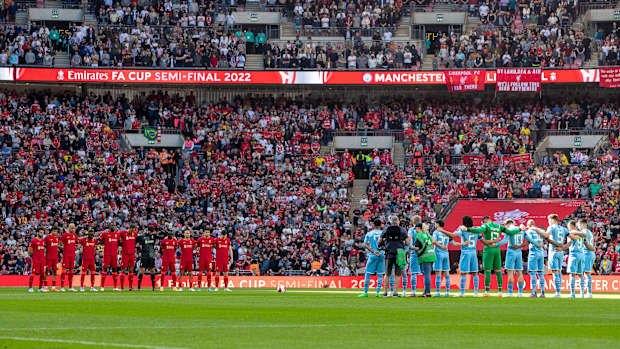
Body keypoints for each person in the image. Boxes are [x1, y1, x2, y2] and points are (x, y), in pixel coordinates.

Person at [464, 216, 516, 297]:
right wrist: (520, 229)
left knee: (487, 271)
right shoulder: (499, 226)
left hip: (488, 249)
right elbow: (511, 232)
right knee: (498, 271)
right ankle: (500, 292)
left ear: (485, 221)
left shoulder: (486, 226)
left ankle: (487, 291)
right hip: (496, 250)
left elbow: (479, 230)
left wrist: (468, 229)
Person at [378, 215, 409, 297]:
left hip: (389, 252)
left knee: (387, 273)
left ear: (391, 221)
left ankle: (385, 292)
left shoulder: (386, 229)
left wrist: (384, 244)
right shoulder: (402, 229)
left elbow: (379, 241)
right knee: (398, 274)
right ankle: (395, 292)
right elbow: (408, 242)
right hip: (399, 253)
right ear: (398, 221)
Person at [499, 220, 526, 297]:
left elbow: (504, 241)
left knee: (510, 273)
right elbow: (528, 240)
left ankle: (510, 293)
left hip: (511, 252)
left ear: (506, 224)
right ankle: (520, 293)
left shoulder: (509, 230)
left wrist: (495, 243)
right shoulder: (521, 229)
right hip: (519, 252)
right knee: (519, 273)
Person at [455, 216, 481, 297]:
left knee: (463, 273)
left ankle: (462, 292)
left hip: (465, 252)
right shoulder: (476, 229)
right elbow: (481, 238)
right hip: (473, 252)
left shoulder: (462, 228)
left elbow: (456, 235)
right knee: (475, 273)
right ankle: (476, 293)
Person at [358, 219, 385, 298]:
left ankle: (365, 292)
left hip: (373, 255)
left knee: (368, 273)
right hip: (381, 255)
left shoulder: (369, 233)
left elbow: (365, 245)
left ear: (373, 225)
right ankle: (378, 293)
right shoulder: (383, 233)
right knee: (380, 274)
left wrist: (373, 251)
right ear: (380, 225)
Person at [545, 214, 569, 298]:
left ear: (552, 220)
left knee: (555, 272)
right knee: (559, 271)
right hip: (560, 252)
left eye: (549, 221)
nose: (548, 223)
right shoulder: (563, 229)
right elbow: (572, 237)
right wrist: (563, 247)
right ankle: (559, 291)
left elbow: (546, 235)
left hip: (553, 251)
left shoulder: (551, 227)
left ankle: (557, 292)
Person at [432, 220, 455, 297]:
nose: (435, 225)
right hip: (446, 254)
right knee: (446, 273)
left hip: (438, 253)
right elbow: (453, 243)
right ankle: (447, 292)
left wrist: (441, 246)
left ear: (438, 224)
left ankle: (438, 292)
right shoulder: (446, 233)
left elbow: (434, 241)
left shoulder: (436, 232)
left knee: (438, 273)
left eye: (435, 224)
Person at [524, 220, 546, 297]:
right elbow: (545, 238)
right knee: (540, 273)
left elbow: (529, 241)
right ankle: (543, 293)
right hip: (541, 253)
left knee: (532, 273)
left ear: (529, 225)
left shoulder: (529, 231)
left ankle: (534, 292)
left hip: (533, 253)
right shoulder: (540, 231)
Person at [566, 220, 587, 298]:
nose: (568, 228)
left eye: (568, 226)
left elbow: (573, 239)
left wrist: (568, 234)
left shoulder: (572, 232)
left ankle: (572, 294)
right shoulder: (580, 233)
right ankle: (581, 294)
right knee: (581, 275)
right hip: (581, 254)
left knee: (572, 274)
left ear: (572, 226)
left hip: (574, 254)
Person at [414, 222, 435, 297]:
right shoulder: (427, 234)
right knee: (427, 275)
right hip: (431, 255)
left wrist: (410, 247)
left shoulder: (419, 235)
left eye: (415, 228)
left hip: (425, 256)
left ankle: (427, 292)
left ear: (418, 228)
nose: (415, 230)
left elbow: (417, 247)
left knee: (426, 275)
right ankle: (426, 291)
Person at [402, 216, 422, 297]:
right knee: (425, 273)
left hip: (414, 252)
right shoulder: (424, 229)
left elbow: (409, 238)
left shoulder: (412, 229)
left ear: (413, 221)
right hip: (423, 253)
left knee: (413, 273)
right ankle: (426, 291)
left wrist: (408, 247)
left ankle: (413, 291)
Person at [137, 226, 160, 291]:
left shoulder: (154, 236)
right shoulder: (142, 236)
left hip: (151, 256)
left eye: (153, 232)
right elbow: (136, 242)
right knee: (142, 271)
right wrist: (139, 251)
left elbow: (161, 236)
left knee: (152, 271)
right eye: (151, 232)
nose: (152, 233)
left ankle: (153, 287)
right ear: (148, 231)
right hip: (144, 256)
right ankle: (138, 287)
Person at [99, 227, 121, 291]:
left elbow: (120, 242)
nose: (113, 227)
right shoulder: (105, 234)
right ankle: (102, 287)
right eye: (112, 226)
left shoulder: (117, 234)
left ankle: (115, 287)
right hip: (107, 255)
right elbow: (99, 240)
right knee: (104, 269)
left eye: (114, 226)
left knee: (115, 270)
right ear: (109, 227)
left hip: (114, 255)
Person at [59, 224, 78, 292]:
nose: (73, 230)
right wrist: (63, 248)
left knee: (71, 271)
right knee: (64, 270)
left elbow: (76, 243)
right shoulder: (64, 235)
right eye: (72, 228)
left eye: (74, 228)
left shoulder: (75, 235)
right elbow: (60, 243)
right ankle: (62, 287)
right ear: (69, 228)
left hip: (72, 256)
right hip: (66, 255)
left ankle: (70, 287)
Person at [120, 225, 138, 291]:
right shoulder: (123, 233)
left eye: (134, 230)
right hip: (125, 254)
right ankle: (122, 287)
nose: (134, 231)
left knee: (131, 270)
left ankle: (130, 287)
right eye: (133, 229)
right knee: (123, 270)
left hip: (132, 254)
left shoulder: (135, 234)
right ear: (129, 228)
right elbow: (116, 235)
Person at [581, 219, 596, 298]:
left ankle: (589, 293)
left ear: (583, 224)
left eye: (579, 225)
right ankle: (587, 292)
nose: (579, 227)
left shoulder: (584, 232)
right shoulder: (590, 232)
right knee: (587, 273)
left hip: (587, 253)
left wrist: (592, 248)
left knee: (586, 273)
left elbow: (586, 244)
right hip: (590, 253)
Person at [44, 227, 61, 292]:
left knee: (55, 272)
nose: (56, 233)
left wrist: (61, 247)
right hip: (48, 257)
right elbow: (44, 245)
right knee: (46, 271)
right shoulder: (47, 237)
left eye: (57, 231)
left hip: (55, 258)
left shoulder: (57, 238)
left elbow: (56, 245)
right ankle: (46, 287)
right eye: (55, 231)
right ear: (52, 231)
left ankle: (53, 287)